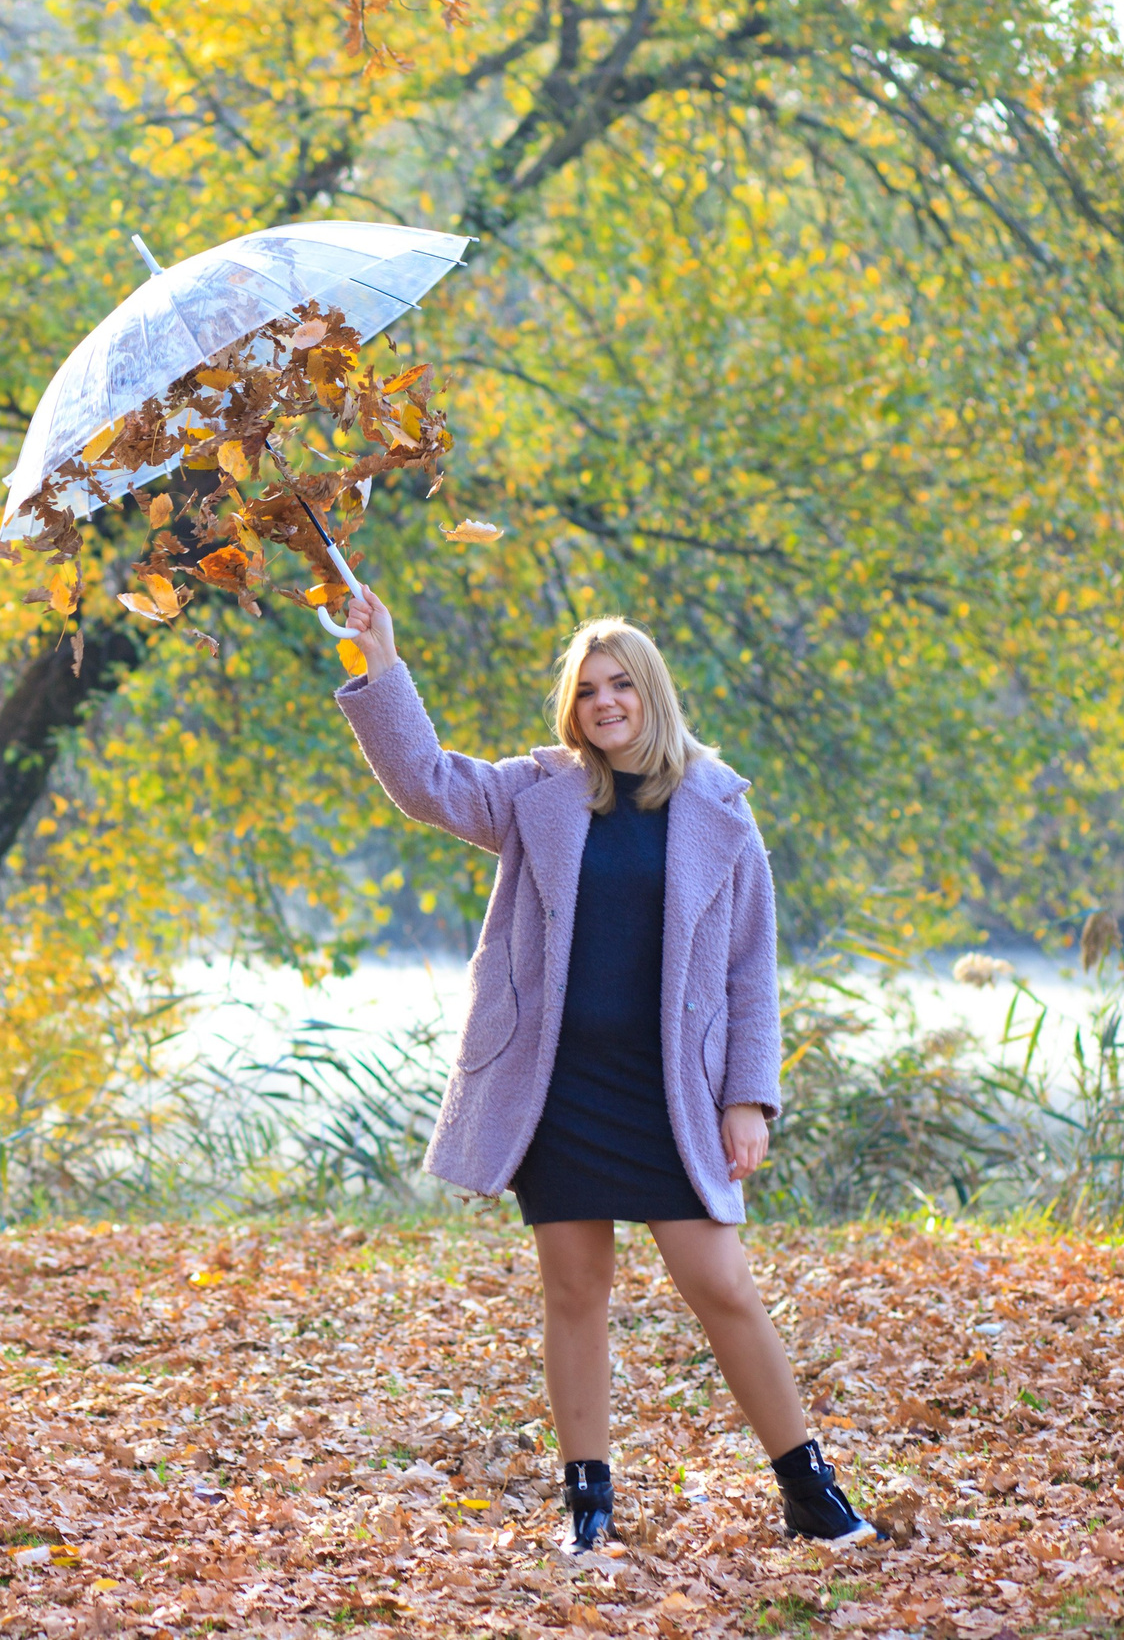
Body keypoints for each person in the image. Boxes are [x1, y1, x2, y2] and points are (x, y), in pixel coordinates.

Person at [333, 595, 880, 1550]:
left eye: (622, 683)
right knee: (575, 1292)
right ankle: (587, 1504)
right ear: (571, 707)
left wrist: (747, 1097)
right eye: (588, 689)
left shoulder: (719, 813)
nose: (605, 701)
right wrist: (380, 659)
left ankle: (809, 1486)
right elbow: (423, 780)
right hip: (561, 1090)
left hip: (672, 1096)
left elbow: (752, 967)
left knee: (722, 1286)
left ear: (653, 693)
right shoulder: (536, 793)